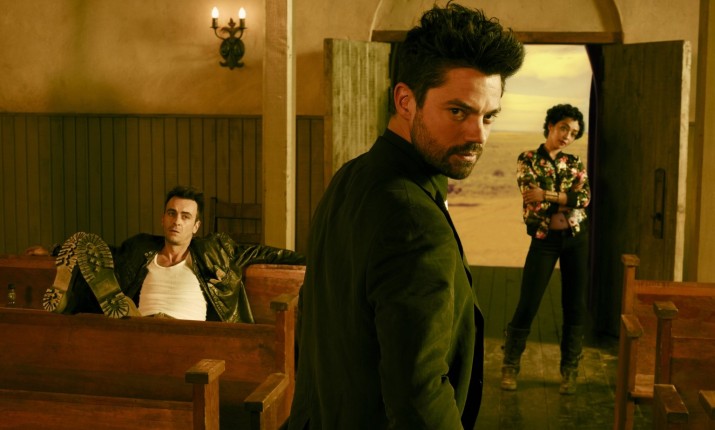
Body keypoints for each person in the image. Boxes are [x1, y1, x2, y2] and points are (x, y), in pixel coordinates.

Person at [288, 3, 524, 429]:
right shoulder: (414, 220)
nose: (478, 134)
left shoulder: (351, 176)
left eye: (489, 116)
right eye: (458, 111)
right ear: (405, 101)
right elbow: (420, 399)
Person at [38, 185, 304, 321]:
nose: (177, 221)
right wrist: (53, 251)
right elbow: (105, 254)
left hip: (190, 337)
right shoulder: (140, 249)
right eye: (171, 213)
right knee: (106, 290)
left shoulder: (215, 251)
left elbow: (263, 253)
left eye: (185, 216)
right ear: (163, 219)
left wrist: (309, 259)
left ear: (196, 226)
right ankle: (81, 303)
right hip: (143, 331)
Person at [501, 104, 590, 395]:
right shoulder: (528, 159)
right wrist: (566, 198)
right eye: (564, 128)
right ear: (551, 125)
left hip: (576, 238)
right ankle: (510, 364)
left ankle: (569, 370)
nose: (567, 136)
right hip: (544, 239)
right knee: (529, 301)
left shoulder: (574, 161)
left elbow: (584, 199)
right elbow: (533, 200)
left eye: (573, 133)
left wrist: (549, 194)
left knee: (574, 305)